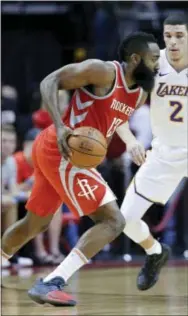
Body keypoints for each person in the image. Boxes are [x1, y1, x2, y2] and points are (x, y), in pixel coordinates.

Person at [1, 32, 160, 306]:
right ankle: (52, 282)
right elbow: (50, 81)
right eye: (154, 58)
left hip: (65, 153)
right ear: (136, 59)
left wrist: (119, 146)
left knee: (34, 223)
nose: (158, 64)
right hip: (63, 149)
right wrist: (61, 126)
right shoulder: (103, 72)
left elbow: (109, 121)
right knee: (114, 221)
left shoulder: (139, 95)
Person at [120, 13, 188, 291]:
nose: (172, 42)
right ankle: (155, 252)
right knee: (125, 220)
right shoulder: (151, 63)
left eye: (179, 36)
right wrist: (130, 141)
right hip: (164, 153)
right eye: (168, 35)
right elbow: (119, 112)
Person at [1, 124, 33, 268]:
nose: (8, 145)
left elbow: (13, 192)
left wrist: (30, 195)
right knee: (10, 203)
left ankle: (9, 254)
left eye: (12, 141)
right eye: (4, 141)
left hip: (5, 201)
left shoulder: (11, 162)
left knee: (13, 203)